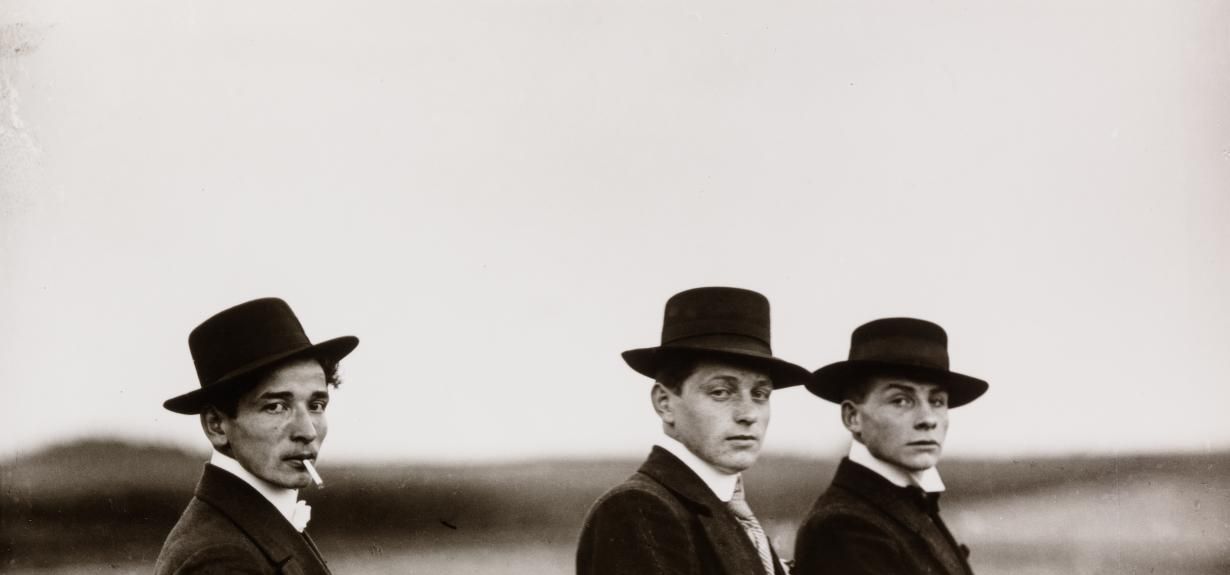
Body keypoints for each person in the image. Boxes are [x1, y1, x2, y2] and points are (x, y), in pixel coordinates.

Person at [576, 287, 811, 575]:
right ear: (665, 403)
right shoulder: (640, 510)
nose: (748, 414)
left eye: (760, 394)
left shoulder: (727, 509)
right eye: (721, 392)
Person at [154, 297, 358, 575]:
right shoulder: (221, 559)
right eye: (276, 407)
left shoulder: (253, 525)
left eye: (316, 405)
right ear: (216, 425)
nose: (307, 431)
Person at [793, 317, 988, 575]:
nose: (928, 420)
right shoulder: (843, 528)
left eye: (938, 401)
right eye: (901, 401)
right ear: (852, 417)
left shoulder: (911, 504)